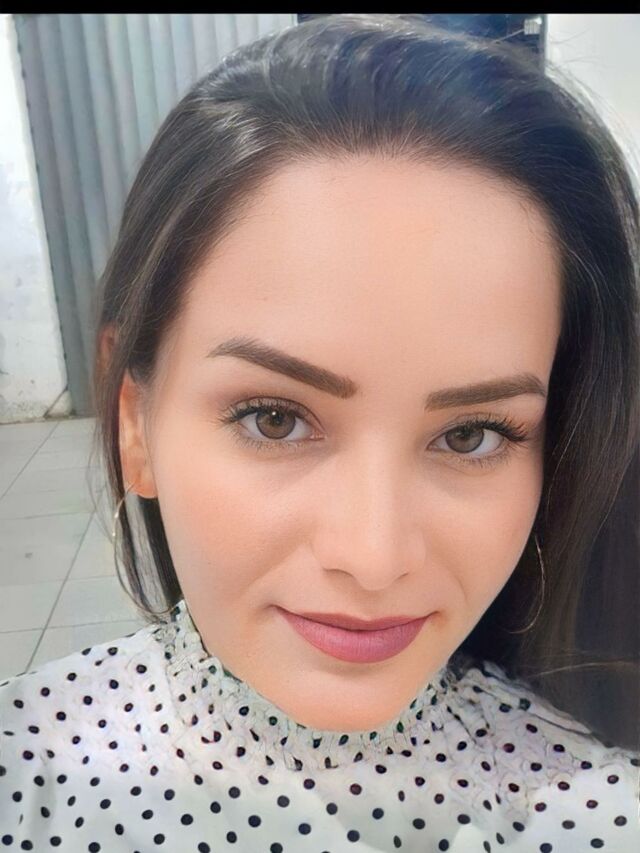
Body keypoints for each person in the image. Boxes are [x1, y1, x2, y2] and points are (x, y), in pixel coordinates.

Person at [1, 13, 638, 852]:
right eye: (275, 418)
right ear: (134, 423)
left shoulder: (594, 806)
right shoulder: (28, 770)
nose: (373, 556)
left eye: (472, 435)